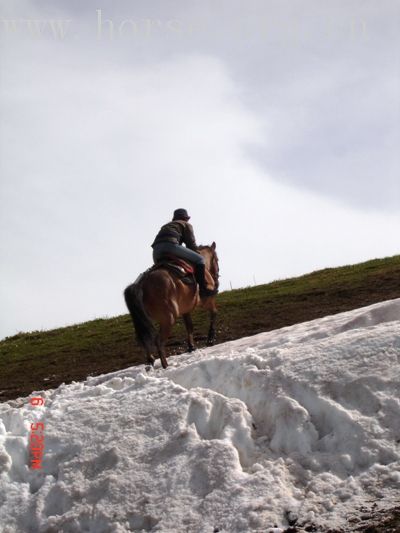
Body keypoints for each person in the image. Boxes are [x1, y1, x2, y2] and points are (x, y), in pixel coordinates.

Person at [151, 208, 217, 297]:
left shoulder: (166, 225)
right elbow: (191, 245)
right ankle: (203, 290)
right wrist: (197, 253)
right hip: (170, 246)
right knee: (200, 259)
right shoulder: (186, 224)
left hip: (156, 252)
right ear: (186, 218)